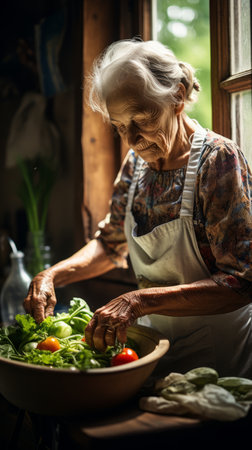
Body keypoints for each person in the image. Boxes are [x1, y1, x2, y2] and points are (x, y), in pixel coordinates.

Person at [24, 39, 252, 377]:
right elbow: (110, 244)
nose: (130, 140)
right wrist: (52, 274)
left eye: (142, 120)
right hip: (154, 354)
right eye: (118, 126)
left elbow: (242, 281)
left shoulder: (218, 161)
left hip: (220, 362)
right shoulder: (136, 164)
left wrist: (138, 300)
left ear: (177, 96)